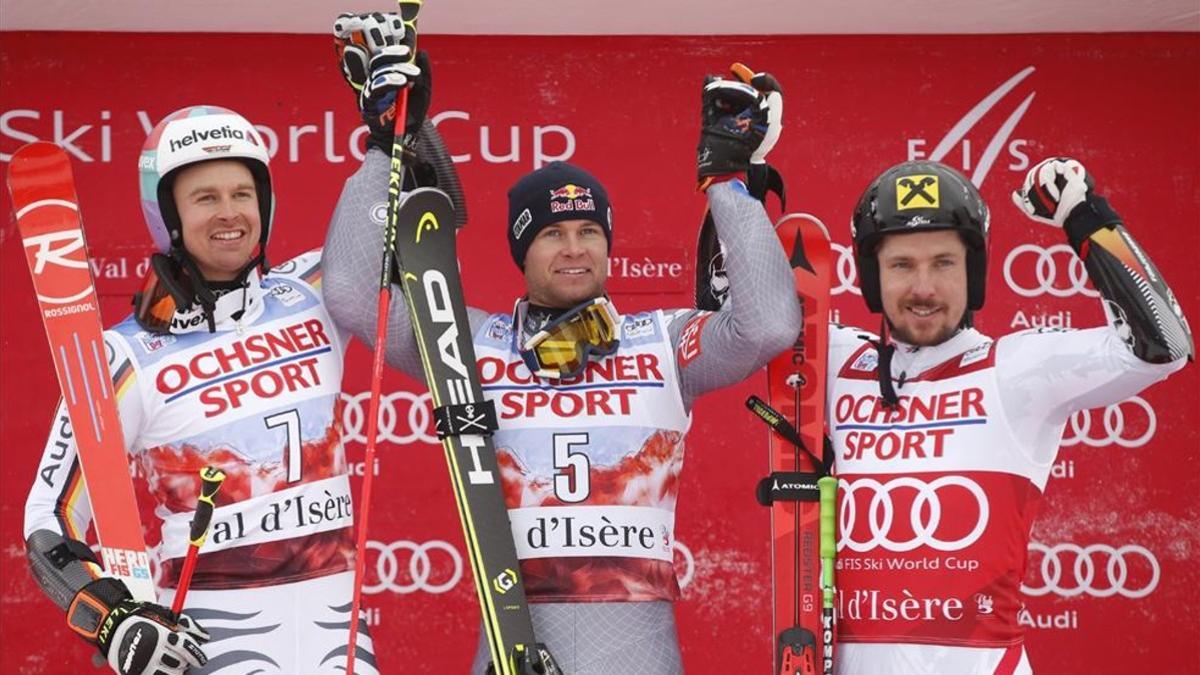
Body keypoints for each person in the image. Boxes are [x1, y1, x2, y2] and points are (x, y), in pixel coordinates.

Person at [322, 14, 801, 674]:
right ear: (522, 248)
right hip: (513, 635)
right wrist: (387, 146)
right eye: (552, 232)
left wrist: (726, 181)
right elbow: (350, 290)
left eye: (589, 231)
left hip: (637, 642)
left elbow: (770, 325)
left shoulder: (662, 342)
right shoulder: (471, 343)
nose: (574, 247)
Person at [22, 105, 378, 674]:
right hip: (212, 636)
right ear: (168, 217)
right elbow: (51, 517)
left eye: (243, 192)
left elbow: (414, 213)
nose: (230, 213)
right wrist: (111, 617)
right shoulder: (125, 356)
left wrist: (395, 120)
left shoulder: (314, 291)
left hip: (337, 627)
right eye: (205, 198)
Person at [828, 158, 1193, 674]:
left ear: (974, 272)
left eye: (945, 263)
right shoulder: (834, 362)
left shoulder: (1016, 369)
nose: (924, 288)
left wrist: (1088, 220)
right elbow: (731, 319)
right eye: (901, 265)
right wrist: (734, 176)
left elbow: (1165, 345)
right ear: (871, 276)